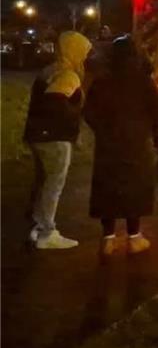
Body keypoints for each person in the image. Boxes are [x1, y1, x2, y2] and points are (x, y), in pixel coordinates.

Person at [84, 36, 158, 256]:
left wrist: (102, 131)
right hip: (137, 144)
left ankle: (108, 239)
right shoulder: (143, 81)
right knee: (135, 189)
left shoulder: (102, 80)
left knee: (107, 189)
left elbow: (89, 111)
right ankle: (134, 237)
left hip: (108, 145)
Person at [23, 31, 93, 249]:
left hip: (37, 135)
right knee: (54, 184)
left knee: (44, 181)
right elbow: (55, 101)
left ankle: (37, 225)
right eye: (84, 51)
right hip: (55, 137)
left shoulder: (49, 70)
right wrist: (74, 117)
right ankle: (48, 233)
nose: (86, 56)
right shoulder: (68, 75)